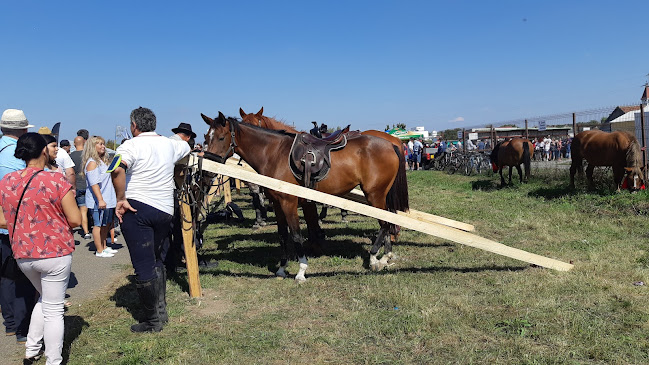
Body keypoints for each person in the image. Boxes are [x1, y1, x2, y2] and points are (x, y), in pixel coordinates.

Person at [0, 132, 81, 365]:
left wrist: (27, 221)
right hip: (55, 252)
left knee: (44, 299)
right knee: (54, 310)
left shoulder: (6, 182)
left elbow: (2, 220)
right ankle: (53, 360)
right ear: (44, 151)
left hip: (23, 253)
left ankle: (31, 349)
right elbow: (75, 219)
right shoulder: (56, 181)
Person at [111, 107, 190, 332]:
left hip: (138, 207)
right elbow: (185, 145)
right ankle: (161, 311)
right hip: (165, 209)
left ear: (134, 126)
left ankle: (153, 320)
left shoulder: (129, 145)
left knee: (143, 264)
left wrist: (120, 198)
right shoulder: (170, 144)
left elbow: (117, 169)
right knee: (156, 258)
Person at [0, 109, 37, 346]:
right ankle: (24, 327)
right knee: (22, 276)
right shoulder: (15, 158)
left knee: (5, 276)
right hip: (15, 223)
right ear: (23, 130)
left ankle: (11, 324)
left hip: (1, 223)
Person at [83, 136, 118, 258]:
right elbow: (94, 184)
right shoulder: (92, 163)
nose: (103, 146)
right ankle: (99, 250)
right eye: (99, 144)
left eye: (103, 144)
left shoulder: (102, 161)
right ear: (93, 147)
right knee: (98, 225)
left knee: (105, 225)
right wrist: (100, 199)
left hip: (108, 198)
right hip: (98, 201)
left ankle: (104, 246)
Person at [70, 136, 91, 239]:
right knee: (93, 209)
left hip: (78, 185)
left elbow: (70, 173)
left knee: (83, 209)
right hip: (90, 184)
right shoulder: (89, 156)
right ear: (84, 143)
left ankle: (86, 232)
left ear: (74, 144)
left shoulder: (70, 156)